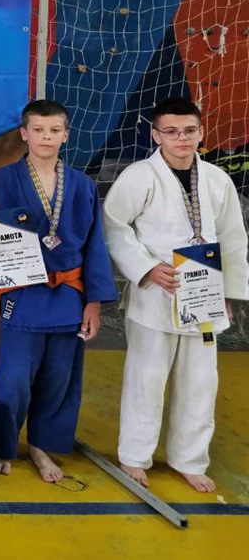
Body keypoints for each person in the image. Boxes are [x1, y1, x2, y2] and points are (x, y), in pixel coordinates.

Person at [0, 99, 118, 482]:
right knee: (12, 379)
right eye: (38, 130)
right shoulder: (2, 180)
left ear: (66, 135)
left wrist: (94, 303)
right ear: (24, 133)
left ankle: (40, 446)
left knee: (59, 379)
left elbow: (95, 247)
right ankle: (4, 444)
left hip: (68, 296)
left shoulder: (82, 185)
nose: (46, 137)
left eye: (54, 131)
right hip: (23, 294)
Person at [104, 97, 248, 493]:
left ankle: (190, 459)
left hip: (204, 295)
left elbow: (233, 238)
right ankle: (134, 456)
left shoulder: (217, 179)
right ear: (156, 135)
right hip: (156, 293)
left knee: (201, 381)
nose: (181, 139)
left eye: (188, 131)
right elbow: (115, 226)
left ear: (201, 132)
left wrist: (228, 292)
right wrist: (146, 268)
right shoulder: (138, 177)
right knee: (146, 378)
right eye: (171, 131)